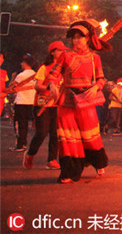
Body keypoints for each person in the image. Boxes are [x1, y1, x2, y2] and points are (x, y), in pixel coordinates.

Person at [50, 19, 110, 183]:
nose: (76, 40)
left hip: (86, 101)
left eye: (80, 37)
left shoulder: (94, 58)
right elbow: (53, 74)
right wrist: (53, 85)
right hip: (66, 101)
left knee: (90, 137)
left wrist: (96, 88)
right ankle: (69, 172)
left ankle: (98, 162)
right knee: (68, 139)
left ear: (88, 39)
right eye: (74, 37)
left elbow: (101, 79)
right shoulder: (65, 56)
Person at [24, 41, 66, 169]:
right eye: (60, 50)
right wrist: (49, 87)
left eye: (64, 50)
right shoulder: (45, 68)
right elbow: (37, 86)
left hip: (57, 105)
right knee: (41, 133)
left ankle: (51, 160)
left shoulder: (64, 69)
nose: (62, 53)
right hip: (43, 104)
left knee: (55, 134)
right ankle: (30, 154)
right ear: (52, 52)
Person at [10, 54, 37, 151]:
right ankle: (26, 144)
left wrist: (13, 77)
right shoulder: (36, 74)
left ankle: (20, 144)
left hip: (21, 101)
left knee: (20, 124)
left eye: (22, 62)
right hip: (32, 101)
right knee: (29, 123)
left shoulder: (21, 75)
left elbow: (12, 87)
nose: (21, 64)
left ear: (25, 63)